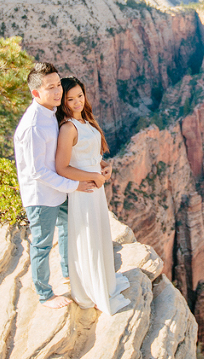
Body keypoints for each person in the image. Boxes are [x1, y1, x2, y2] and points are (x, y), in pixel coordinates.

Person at [14, 63, 95, 309]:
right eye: (51, 88)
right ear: (36, 93)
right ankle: (44, 294)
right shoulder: (33, 125)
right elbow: (37, 171)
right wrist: (74, 185)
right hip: (41, 196)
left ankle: (68, 272)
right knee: (41, 243)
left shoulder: (50, 113)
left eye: (58, 84)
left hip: (59, 189)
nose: (58, 91)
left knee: (68, 229)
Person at [55, 76, 131, 314]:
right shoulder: (68, 128)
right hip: (84, 191)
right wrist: (92, 178)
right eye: (71, 99)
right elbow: (62, 167)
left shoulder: (86, 121)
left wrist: (103, 167)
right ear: (63, 102)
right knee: (87, 238)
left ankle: (103, 281)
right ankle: (91, 289)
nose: (77, 101)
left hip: (95, 189)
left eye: (80, 95)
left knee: (98, 234)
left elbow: (90, 157)